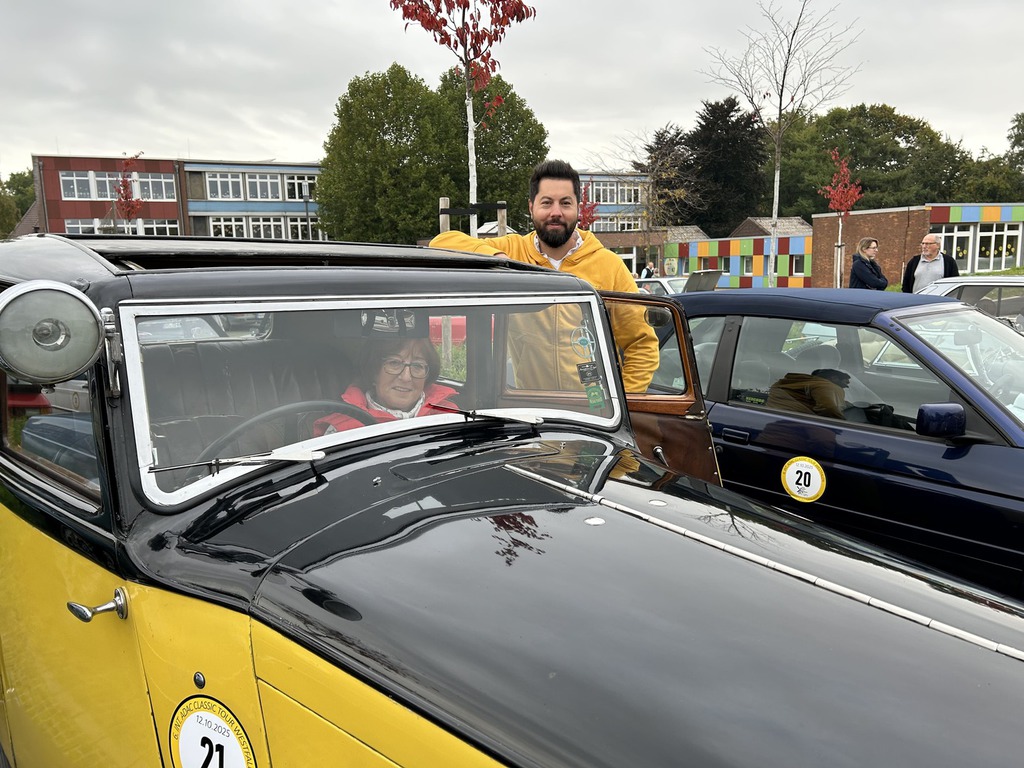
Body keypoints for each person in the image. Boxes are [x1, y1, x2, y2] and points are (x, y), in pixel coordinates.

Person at [430, 159, 658, 393]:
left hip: (595, 406)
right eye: (547, 203)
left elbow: (641, 344)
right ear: (531, 207)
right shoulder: (514, 252)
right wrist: (498, 258)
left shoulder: (609, 266)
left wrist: (624, 400)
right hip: (534, 404)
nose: (556, 212)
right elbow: (442, 243)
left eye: (565, 203)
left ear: (578, 208)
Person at [313, 336, 457, 435]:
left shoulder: (450, 417)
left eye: (417, 366)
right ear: (373, 371)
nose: (406, 377)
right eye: (394, 363)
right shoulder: (340, 430)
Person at [765, 368, 850, 419]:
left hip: (771, 420)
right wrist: (845, 424)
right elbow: (829, 409)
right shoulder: (826, 385)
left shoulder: (788, 384)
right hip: (797, 428)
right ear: (834, 378)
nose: (846, 386)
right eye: (845, 383)